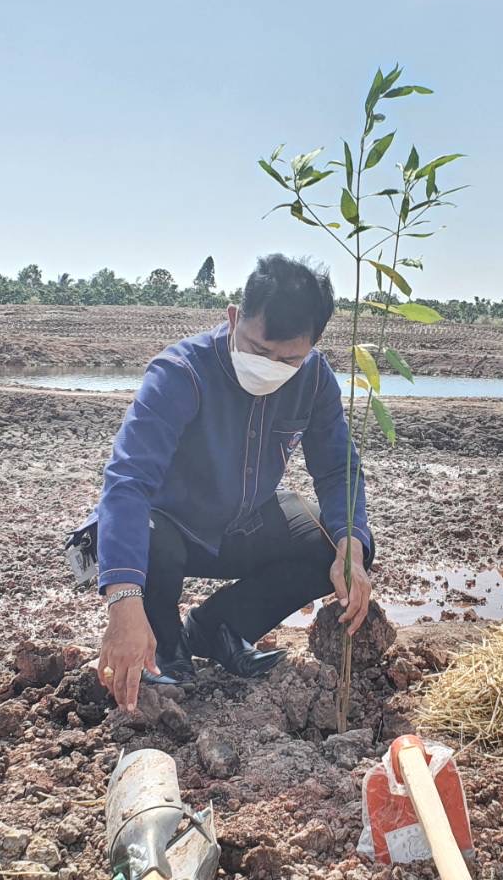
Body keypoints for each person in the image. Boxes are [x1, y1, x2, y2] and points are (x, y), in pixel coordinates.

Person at [88, 253, 374, 712]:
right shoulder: (181, 372)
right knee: (147, 534)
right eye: (260, 350)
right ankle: (165, 646)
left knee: (339, 543)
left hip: (244, 525)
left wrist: (351, 546)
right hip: (170, 530)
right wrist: (122, 603)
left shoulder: (315, 378)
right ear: (235, 317)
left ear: (314, 345)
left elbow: (338, 468)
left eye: (289, 359)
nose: (271, 367)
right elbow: (127, 482)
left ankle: (219, 627)